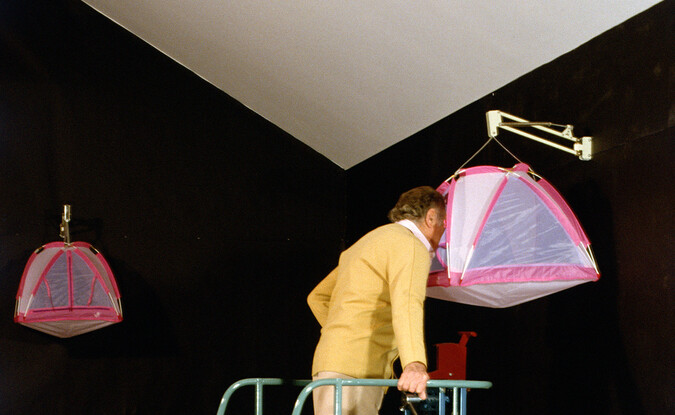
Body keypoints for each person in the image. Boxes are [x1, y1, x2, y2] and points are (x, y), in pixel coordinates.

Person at [308, 186, 446, 415]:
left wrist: (346, 333)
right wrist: (414, 364)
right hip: (359, 370)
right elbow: (407, 304)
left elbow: (317, 298)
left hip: (329, 364)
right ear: (431, 217)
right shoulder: (412, 245)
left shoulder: (370, 241)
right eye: (443, 223)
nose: (443, 230)